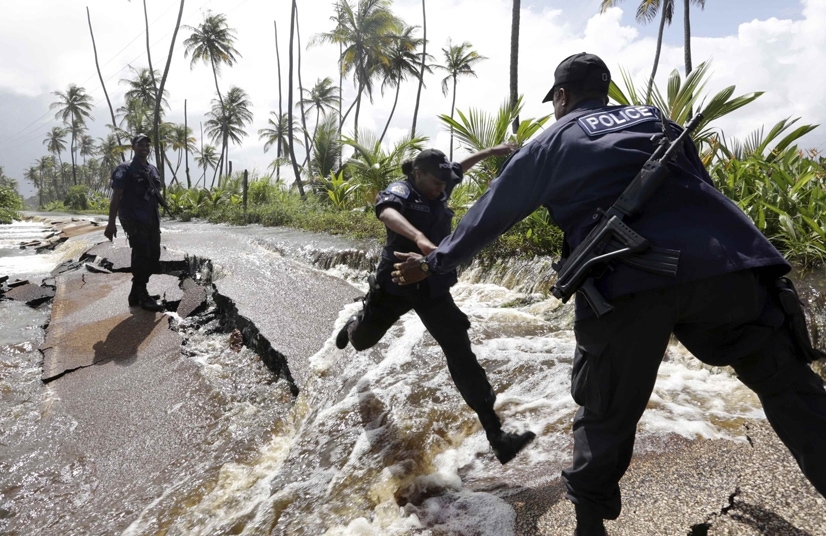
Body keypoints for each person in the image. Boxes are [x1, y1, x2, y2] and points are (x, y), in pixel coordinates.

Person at [392, 53, 826, 536]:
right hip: (730, 265)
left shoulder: (552, 140)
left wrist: (433, 262)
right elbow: (699, 186)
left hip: (626, 282)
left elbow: (490, 215)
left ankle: (588, 527)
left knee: (605, 413)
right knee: (794, 391)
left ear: (561, 96)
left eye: (555, 100)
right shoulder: (657, 120)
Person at [334, 145, 537, 465]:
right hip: (396, 284)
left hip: (431, 286)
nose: (441, 186)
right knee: (363, 341)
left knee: (460, 350)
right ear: (417, 174)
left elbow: (461, 166)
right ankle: (353, 326)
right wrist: (419, 239)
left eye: (444, 181)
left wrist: (496, 150)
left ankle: (497, 436)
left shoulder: (441, 181)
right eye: (435, 181)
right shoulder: (403, 189)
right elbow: (386, 211)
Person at [104, 134, 164, 312]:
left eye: (147, 145)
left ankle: (135, 293)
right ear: (133, 147)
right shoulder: (124, 168)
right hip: (133, 218)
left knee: (154, 255)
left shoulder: (153, 169)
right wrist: (111, 223)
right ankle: (143, 294)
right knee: (142, 254)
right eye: (140, 145)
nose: (144, 148)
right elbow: (116, 196)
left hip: (151, 218)